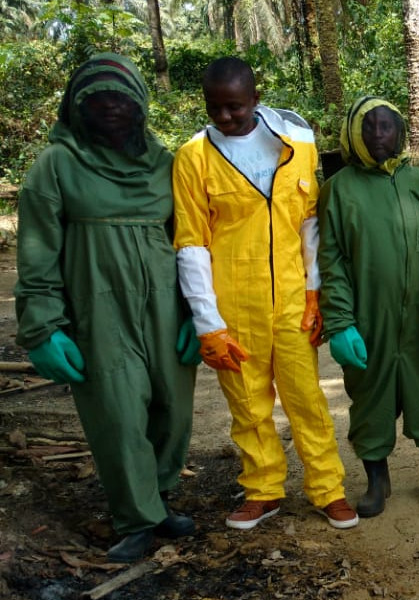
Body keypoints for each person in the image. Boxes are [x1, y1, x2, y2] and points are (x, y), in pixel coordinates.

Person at [15, 54, 202, 563]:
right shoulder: (55, 165)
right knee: (117, 414)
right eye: (96, 100)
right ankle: (135, 518)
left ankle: (160, 500)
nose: (111, 108)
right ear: (76, 109)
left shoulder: (166, 164)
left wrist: (199, 315)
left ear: (141, 104)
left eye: (122, 97)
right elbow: (38, 252)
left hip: (167, 307)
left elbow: (191, 242)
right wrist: (42, 328)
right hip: (98, 309)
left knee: (173, 408)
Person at [172, 56, 357, 530]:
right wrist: (207, 323)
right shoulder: (194, 157)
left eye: (234, 106)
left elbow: (309, 223)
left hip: (294, 300)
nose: (224, 117)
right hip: (233, 305)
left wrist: (315, 292)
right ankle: (263, 490)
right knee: (248, 406)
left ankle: (327, 490)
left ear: (256, 97)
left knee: (306, 400)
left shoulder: (296, 144)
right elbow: (191, 243)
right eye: (214, 108)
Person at [318, 97, 419, 517]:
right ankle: (376, 479)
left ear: (400, 132)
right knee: (369, 397)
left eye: (387, 127)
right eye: (369, 128)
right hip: (367, 318)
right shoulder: (338, 190)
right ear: (353, 135)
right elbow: (332, 259)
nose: (379, 136)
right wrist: (340, 323)